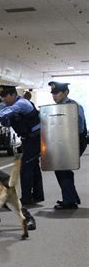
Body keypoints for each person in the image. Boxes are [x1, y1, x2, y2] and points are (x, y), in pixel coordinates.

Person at [0, 85, 39, 229]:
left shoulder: (22, 103)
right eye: (1, 96)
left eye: (5, 96)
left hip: (36, 137)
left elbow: (10, 111)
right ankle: (37, 195)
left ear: (13, 94)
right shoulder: (6, 104)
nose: (2, 99)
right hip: (27, 138)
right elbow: (3, 118)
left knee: (26, 167)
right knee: (33, 166)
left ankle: (26, 198)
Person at [49, 81, 87, 209]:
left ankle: (70, 201)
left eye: (57, 93)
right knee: (62, 169)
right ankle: (72, 198)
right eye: (52, 93)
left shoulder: (73, 106)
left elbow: (80, 128)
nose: (54, 96)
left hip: (75, 143)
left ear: (66, 92)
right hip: (63, 143)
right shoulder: (57, 108)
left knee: (62, 169)